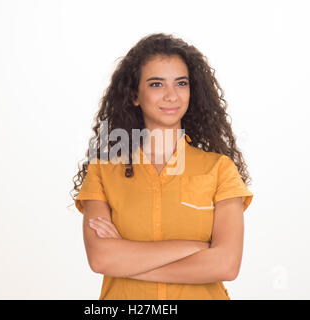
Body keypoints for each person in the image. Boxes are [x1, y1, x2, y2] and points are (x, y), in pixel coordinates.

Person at [70, 33, 254, 300]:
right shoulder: (103, 171)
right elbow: (101, 259)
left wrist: (128, 262)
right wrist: (196, 248)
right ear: (134, 94)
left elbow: (225, 264)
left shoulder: (219, 169)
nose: (172, 95)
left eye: (181, 83)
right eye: (156, 84)